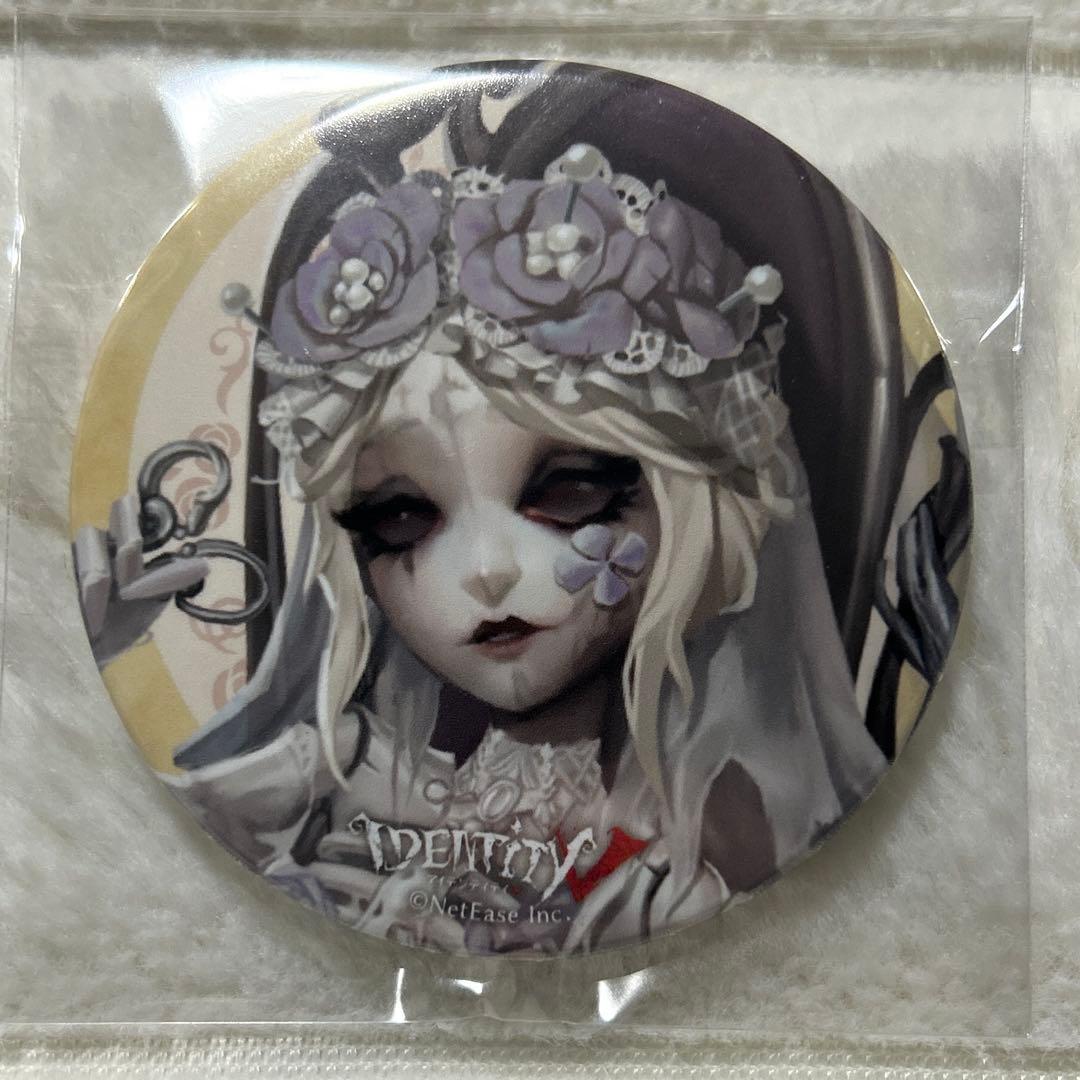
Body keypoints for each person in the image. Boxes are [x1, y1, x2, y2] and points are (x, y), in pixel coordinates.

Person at [75, 104, 889, 954]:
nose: (487, 569)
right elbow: (163, 834)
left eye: (568, 493)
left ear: (693, 498)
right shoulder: (346, 768)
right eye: (401, 518)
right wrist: (107, 656)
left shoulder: (719, 831)